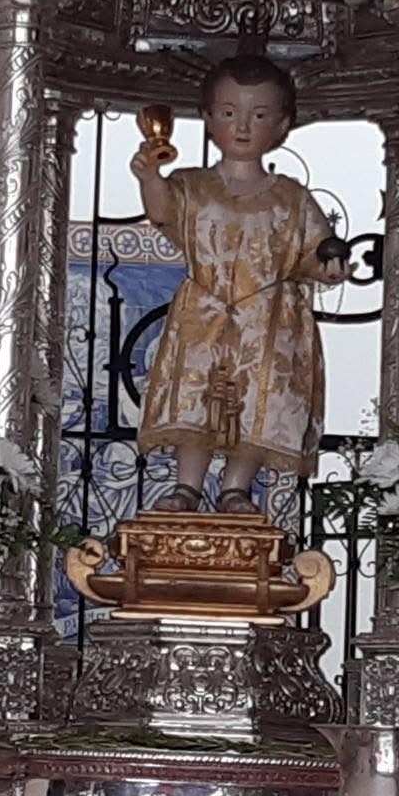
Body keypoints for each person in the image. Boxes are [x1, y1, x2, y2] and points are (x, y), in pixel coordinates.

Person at [130, 55, 349, 515]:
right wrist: (150, 177)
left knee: (258, 403)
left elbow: (315, 249)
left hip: (267, 321)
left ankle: (236, 488)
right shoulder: (192, 185)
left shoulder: (291, 197)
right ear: (209, 118)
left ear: (282, 125)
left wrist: (328, 267)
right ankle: (187, 487)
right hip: (203, 312)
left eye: (259, 115)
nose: (243, 127)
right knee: (196, 400)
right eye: (229, 113)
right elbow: (163, 212)